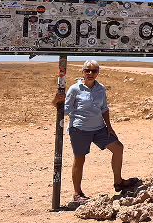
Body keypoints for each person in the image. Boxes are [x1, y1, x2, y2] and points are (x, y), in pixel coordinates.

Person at [52, 60, 138, 203]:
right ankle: (77, 193)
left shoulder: (101, 88)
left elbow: (104, 108)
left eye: (94, 71)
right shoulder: (75, 89)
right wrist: (55, 101)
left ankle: (118, 182)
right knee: (79, 159)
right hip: (79, 129)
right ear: (83, 72)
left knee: (118, 148)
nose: (90, 73)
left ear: (98, 72)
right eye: (87, 70)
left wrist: (109, 126)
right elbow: (65, 111)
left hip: (99, 128)